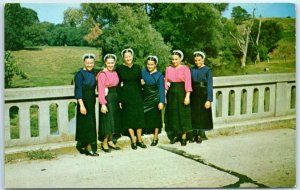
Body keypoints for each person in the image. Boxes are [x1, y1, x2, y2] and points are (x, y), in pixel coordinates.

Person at [116, 48, 147, 150]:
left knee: (139, 117)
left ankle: (139, 139)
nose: (128, 58)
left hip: (137, 95)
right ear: (123, 58)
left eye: (129, 56)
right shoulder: (119, 69)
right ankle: (133, 140)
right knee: (129, 118)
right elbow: (117, 85)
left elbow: (141, 80)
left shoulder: (138, 67)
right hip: (126, 96)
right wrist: (120, 99)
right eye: (126, 57)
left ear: (132, 56)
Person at [164, 50, 193, 146]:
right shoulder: (168, 69)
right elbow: (166, 83)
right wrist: (164, 94)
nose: (174, 61)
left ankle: (184, 135)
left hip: (182, 92)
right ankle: (177, 134)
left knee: (183, 113)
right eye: (172, 59)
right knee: (173, 114)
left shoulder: (185, 69)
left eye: (176, 59)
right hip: (172, 93)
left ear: (180, 59)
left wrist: (187, 96)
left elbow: (188, 83)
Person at [74, 53, 99, 156]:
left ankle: (85, 146)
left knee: (90, 123)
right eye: (88, 63)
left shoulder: (94, 72)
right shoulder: (79, 74)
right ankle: (88, 147)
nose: (90, 65)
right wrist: (82, 105)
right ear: (84, 62)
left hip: (91, 100)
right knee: (85, 124)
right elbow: (78, 89)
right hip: (83, 101)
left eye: (91, 63)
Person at [97, 54, 121, 153]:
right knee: (107, 121)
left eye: (112, 63)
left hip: (115, 97)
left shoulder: (115, 72)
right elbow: (101, 89)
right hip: (107, 98)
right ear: (105, 63)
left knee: (114, 120)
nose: (110, 65)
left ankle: (111, 140)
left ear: (114, 63)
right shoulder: (102, 74)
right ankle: (105, 142)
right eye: (108, 63)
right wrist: (103, 104)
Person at [141, 56, 165, 146]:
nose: (149, 66)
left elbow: (161, 89)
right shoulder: (143, 72)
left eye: (151, 64)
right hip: (145, 97)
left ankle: (155, 137)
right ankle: (144, 131)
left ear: (155, 64)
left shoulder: (159, 75)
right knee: (143, 114)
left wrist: (161, 102)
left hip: (155, 98)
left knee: (156, 118)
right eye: (148, 64)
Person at [190, 51, 213, 143]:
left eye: (199, 60)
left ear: (203, 59)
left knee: (201, 114)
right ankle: (194, 134)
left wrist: (209, 99)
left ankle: (200, 134)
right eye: (195, 60)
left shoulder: (207, 70)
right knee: (194, 114)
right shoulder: (192, 69)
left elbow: (210, 85)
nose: (197, 62)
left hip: (203, 93)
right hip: (194, 93)